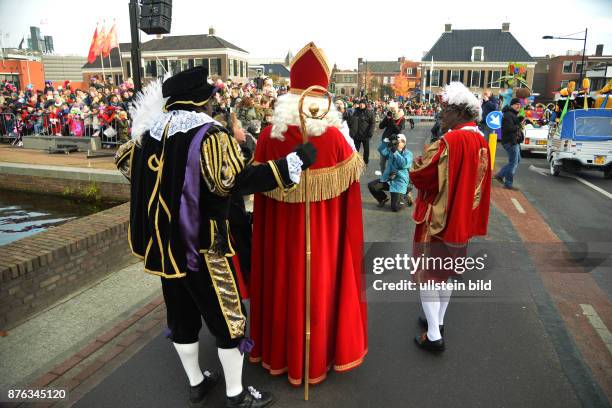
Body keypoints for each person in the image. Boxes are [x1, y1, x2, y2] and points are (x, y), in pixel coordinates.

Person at [114, 66, 316, 408]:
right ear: (202, 102)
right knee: (228, 320)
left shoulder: (150, 133)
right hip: (203, 247)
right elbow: (233, 182)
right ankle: (236, 396)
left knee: (181, 317)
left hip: (164, 249)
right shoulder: (210, 135)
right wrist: (291, 164)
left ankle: (197, 383)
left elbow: (125, 164)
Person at [249, 42, 368, 386]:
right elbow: (352, 201)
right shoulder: (334, 139)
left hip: (280, 243)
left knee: (282, 284)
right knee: (318, 292)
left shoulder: (271, 137)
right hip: (325, 245)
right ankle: (317, 358)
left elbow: (259, 194)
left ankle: (279, 355)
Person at [409, 82, 491, 353]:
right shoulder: (480, 139)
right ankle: (438, 322)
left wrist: (415, 163)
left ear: (459, 112)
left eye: (445, 110)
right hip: (461, 219)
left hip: (438, 219)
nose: (441, 115)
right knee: (445, 276)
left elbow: (423, 176)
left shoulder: (449, 141)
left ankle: (433, 336)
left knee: (428, 276)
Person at [368, 133, 413, 211]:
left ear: (404, 143)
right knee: (372, 185)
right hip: (389, 180)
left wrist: (395, 152)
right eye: (396, 142)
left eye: (398, 142)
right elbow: (381, 150)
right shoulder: (391, 150)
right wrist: (386, 140)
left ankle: (406, 197)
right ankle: (382, 199)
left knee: (395, 208)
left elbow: (403, 164)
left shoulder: (408, 154)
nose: (396, 143)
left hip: (400, 182)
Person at [495, 97, 523, 190]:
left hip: (514, 141)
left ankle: (500, 175)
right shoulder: (508, 115)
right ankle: (508, 183)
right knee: (513, 163)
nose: (518, 106)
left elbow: (513, 124)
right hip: (510, 141)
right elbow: (508, 128)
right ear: (512, 105)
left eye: (519, 105)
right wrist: (519, 126)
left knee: (516, 160)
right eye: (516, 104)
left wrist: (519, 120)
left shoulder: (512, 114)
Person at [377, 101, 405, 173]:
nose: (392, 111)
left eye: (393, 109)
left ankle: (392, 178)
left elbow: (399, 130)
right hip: (386, 142)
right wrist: (386, 118)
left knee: (392, 162)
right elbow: (381, 126)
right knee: (382, 162)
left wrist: (392, 121)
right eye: (390, 109)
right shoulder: (389, 117)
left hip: (394, 143)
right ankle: (383, 177)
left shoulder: (401, 118)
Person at [348, 98, 375, 164]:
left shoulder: (369, 112)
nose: (361, 105)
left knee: (366, 150)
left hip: (366, 135)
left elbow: (373, 123)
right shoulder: (355, 112)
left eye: (363, 104)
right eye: (360, 103)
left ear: (365, 105)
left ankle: (365, 162)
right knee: (355, 150)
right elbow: (351, 122)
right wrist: (351, 131)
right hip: (356, 135)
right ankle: (355, 162)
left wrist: (370, 132)